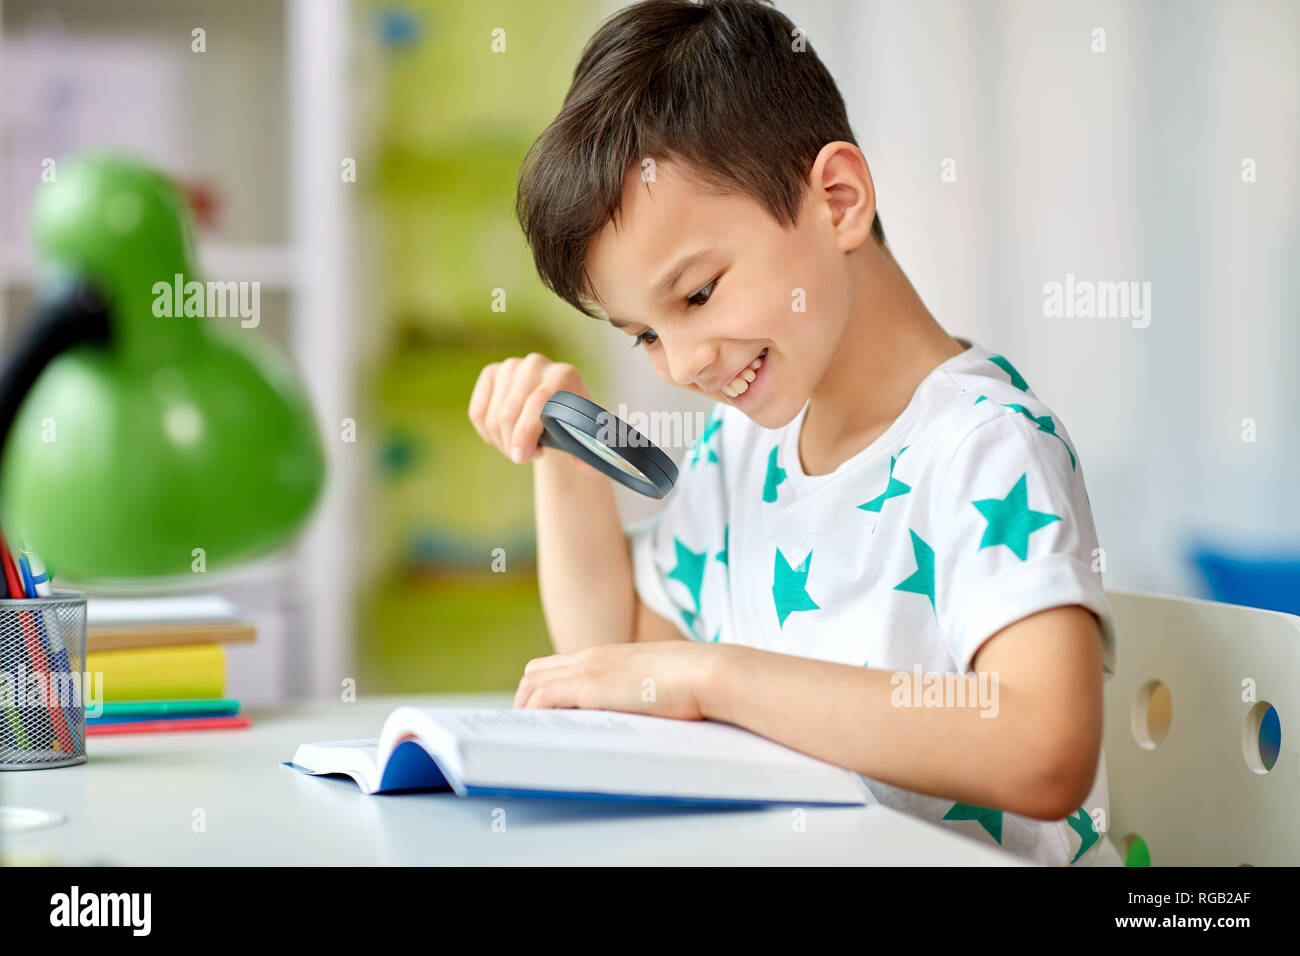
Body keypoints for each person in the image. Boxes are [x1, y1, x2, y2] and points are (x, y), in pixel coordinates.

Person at [468, 0, 1120, 866]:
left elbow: (1046, 751)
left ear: (838, 201)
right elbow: (620, 666)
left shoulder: (984, 448)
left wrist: (717, 678)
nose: (682, 365)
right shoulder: (743, 451)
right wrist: (563, 453)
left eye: (697, 295)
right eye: (645, 334)